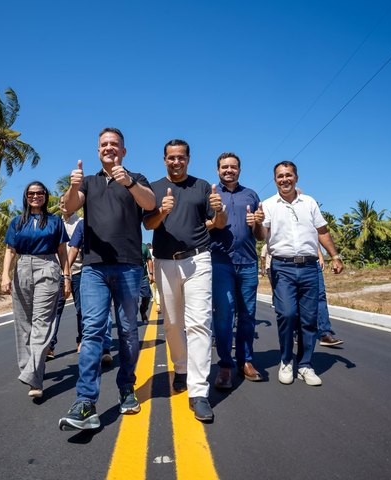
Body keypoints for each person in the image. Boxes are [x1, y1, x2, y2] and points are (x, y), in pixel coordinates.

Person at [58, 127, 155, 431]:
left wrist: (128, 183)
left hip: (128, 267)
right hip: (94, 269)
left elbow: (150, 204)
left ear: (123, 151)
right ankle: (86, 402)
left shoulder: (136, 178)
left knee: (127, 332)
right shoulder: (88, 181)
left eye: (114, 144)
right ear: (97, 150)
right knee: (93, 333)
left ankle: (127, 388)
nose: (109, 148)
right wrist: (73, 187)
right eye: (104, 144)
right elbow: (69, 206)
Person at [144, 138, 226, 422]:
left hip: (198, 259)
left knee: (199, 324)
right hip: (165, 261)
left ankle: (199, 392)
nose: (176, 162)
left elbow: (220, 223)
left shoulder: (203, 187)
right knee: (173, 323)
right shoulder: (153, 188)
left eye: (181, 157)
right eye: (171, 157)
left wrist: (219, 209)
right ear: (164, 159)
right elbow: (148, 224)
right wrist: (162, 211)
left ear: (188, 159)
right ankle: (181, 368)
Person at [261, 161, 343, 387]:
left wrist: (334, 255)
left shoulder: (309, 202)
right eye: (279, 176)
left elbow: (322, 231)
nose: (284, 179)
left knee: (309, 319)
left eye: (288, 175)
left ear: (296, 177)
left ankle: (305, 364)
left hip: (309, 266)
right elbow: (261, 235)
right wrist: (257, 223)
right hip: (282, 266)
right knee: (287, 314)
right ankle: (286, 361)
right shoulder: (267, 205)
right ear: (275, 179)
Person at [1, 181, 71, 399]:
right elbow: (10, 250)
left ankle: (33, 376)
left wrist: (66, 277)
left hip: (48, 268)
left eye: (40, 193)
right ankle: (29, 368)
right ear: (26, 196)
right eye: (31, 193)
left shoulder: (54, 221)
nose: (36, 196)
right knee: (24, 324)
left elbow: (62, 251)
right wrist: (4, 275)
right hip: (22, 268)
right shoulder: (17, 221)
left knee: (42, 323)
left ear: (45, 196)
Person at [208, 152, 265, 390]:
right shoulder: (210, 195)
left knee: (248, 315)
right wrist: (215, 218)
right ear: (218, 170)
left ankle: (246, 361)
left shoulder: (251, 194)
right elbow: (202, 228)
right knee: (223, 316)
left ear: (239, 170)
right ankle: (225, 365)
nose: (229, 170)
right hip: (220, 262)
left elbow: (261, 236)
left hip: (249, 263)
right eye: (224, 167)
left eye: (233, 167)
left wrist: (259, 223)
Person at [66, 219, 114, 364]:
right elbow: (74, 248)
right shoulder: (82, 224)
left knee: (107, 312)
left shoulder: (112, 220)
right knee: (89, 314)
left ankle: (106, 348)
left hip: (114, 269)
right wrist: (66, 273)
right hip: (90, 271)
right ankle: (91, 351)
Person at [47, 197, 83, 360]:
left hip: (79, 272)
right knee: (55, 310)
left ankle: (81, 340)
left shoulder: (81, 222)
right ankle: (50, 345)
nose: (63, 205)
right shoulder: (54, 222)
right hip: (58, 274)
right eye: (61, 202)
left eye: (66, 202)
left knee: (81, 309)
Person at [316, 248, 343, 347]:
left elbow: (316, 234)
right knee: (299, 297)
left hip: (312, 262)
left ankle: (325, 333)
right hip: (290, 263)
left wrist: (320, 255)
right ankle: (299, 331)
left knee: (320, 296)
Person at [140, 243, 155, 323]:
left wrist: (151, 274)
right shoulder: (127, 244)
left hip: (143, 277)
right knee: (132, 300)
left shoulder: (143, 246)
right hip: (130, 278)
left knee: (146, 296)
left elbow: (149, 259)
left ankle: (143, 311)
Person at [147, 242, 161, 313]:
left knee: (154, 289)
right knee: (158, 289)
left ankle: (157, 302)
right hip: (157, 271)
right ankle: (158, 304)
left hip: (150, 273)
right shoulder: (155, 252)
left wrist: (151, 274)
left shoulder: (148, 252)